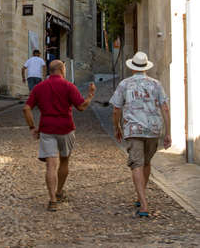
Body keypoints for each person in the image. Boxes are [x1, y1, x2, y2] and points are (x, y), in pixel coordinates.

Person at [23, 59, 96, 212]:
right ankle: (59, 191)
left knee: (50, 165)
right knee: (64, 162)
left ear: (49, 71)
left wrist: (32, 127)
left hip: (47, 129)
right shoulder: (69, 86)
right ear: (62, 70)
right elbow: (81, 107)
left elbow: (26, 108)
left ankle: (52, 200)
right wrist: (90, 96)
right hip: (66, 128)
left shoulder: (39, 87)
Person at [110, 51, 171, 217]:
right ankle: (141, 195)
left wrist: (116, 128)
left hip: (134, 130)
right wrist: (168, 132)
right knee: (146, 162)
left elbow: (116, 109)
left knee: (137, 164)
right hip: (153, 130)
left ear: (132, 68)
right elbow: (164, 108)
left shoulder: (124, 84)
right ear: (145, 68)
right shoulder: (156, 84)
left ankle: (143, 204)